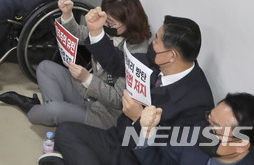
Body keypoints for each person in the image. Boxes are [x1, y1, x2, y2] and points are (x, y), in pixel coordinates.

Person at [44, 13, 215, 165]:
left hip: (140, 156)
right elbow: (119, 62)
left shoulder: (197, 103)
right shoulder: (156, 58)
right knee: (65, 132)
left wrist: (139, 118)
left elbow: (167, 155)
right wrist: (96, 32)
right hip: (117, 137)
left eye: (156, 41)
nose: (152, 44)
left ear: (172, 56)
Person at [0, 0, 151, 130]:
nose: (106, 24)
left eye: (111, 22)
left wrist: (87, 78)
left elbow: (118, 100)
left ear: (129, 20)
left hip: (104, 113)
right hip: (87, 95)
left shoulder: (137, 51)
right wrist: (67, 14)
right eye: (106, 20)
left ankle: (36, 109)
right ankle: (58, 116)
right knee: (45, 67)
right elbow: (78, 33)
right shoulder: (109, 28)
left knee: (51, 111)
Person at [134, 92, 254, 165]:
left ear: (241, 145)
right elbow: (161, 161)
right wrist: (148, 131)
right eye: (209, 120)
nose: (206, 131)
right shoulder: (197, 132)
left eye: (215, 130)